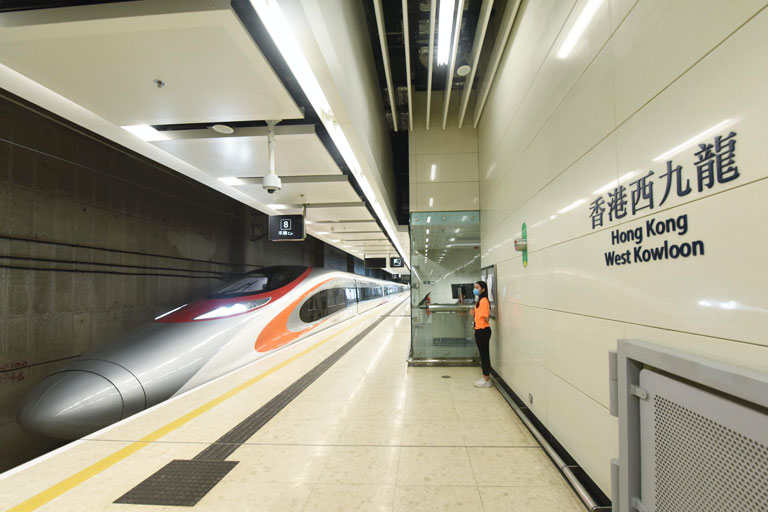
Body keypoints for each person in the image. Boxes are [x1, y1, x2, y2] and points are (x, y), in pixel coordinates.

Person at [472, 281, 492, 388]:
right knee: (483, 354)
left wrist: (480, 316)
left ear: (483, 289)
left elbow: (486, 317)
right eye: (474, 287)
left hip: (483, 330)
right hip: (479, 329)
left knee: (484, 355)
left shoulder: (484, 300)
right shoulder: (480, 300)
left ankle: (486, 379)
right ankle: (485, 377)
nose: (475, 289)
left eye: (477, 287)